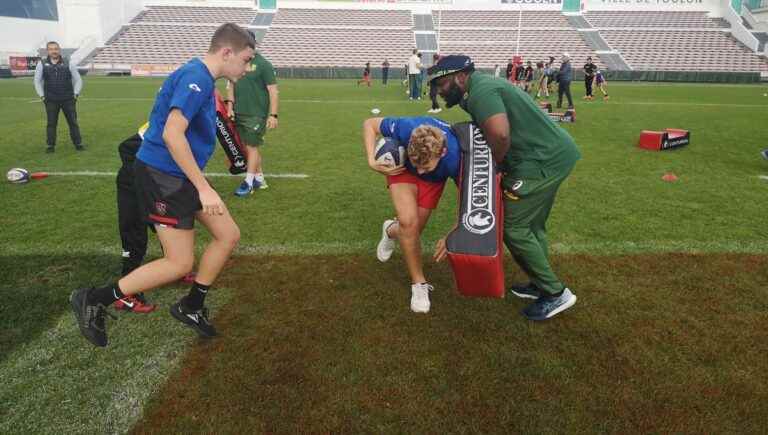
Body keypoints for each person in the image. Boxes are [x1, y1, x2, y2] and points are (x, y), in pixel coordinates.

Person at [70, 23, 256, 347]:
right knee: (179, 262)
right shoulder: (196, 77)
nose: (247, 67)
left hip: (177, 174)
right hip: (162, 175)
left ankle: (192, 306)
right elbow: (172, 133)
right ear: (227, 52)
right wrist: (204, 187)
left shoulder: (200, 77)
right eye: (246, 59)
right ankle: (95, 298)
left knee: (228, 235)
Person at [429, 54, 581, 321]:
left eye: (441, 83)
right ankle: (539, 281)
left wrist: (497, 165)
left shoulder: (480, 93)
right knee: (532, 225)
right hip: (550, 154)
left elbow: (500, 134)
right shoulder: (479, 87)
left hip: (541, 160)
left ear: (460, 77)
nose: (438, 91)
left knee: (513, 226)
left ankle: (556, 293)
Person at [363, 116, 461, 313]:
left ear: (442, 153)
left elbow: (466, 199)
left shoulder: (456, 158)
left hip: (435, 181)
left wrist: (455, 231)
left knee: (413, 232)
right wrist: (371, 161)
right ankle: (419, 284)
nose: (420, 171)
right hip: (401, 171)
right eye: (417, 163)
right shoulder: (406, 128)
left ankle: (390, 230)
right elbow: (370, 124)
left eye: (425, 166)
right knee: (409, 224)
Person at [227, 34, 279, 196]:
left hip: (256, 114)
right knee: (247, 147)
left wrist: (273, 115)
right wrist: (230, 106)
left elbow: (273, 91)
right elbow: (230, 85)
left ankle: (248, 182)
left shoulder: (263, 65)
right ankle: (260, 178)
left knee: (252, 146)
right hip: (238, 113)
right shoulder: (236, 62)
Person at [114, 123, 156, 313]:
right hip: (135, 179)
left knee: (171, 223)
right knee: (135, 233)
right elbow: (126, 147)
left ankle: (177, 267)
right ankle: (125, 293)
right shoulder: (166, 119)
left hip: (155, 177)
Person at [34, 41, 83, 153]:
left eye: (55, 49)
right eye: (51, 49)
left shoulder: (68, 62)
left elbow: (78, 79)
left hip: (68, 99)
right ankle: (50, 145)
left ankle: (78, 144)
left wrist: (75, 94)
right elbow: (37, 81)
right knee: (51, 123)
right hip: (51, 100)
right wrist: (42, 96)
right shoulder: (42, 64)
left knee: (73, 122)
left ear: (59, 50)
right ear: (48, 51)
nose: (54, 51)